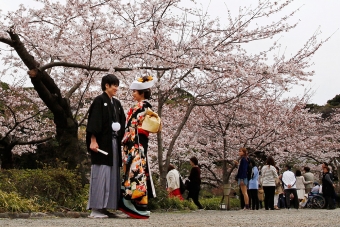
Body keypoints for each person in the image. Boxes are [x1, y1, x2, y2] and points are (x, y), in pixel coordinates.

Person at [86, 74, 126, 218]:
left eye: (117, 85)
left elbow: (122, 122)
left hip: (114, 143)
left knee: (112, 174)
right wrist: (93, 140)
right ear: (106, 85)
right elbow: (94, 122)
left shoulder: (116, 103)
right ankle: (96, 209)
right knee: (101, 173)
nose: (116, 88)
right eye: (114, 85)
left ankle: (106, 207)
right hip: (102, 143)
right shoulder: (99, 100)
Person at [120, 75, 157, 219]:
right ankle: (136, 202)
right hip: (134, 141)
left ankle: (137, 202)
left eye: (135, 91)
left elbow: (134, 126)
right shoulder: (140, 106)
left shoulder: (144, 106)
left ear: (142, 92)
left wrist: (130, 136)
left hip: (137, 142)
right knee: (135, 170)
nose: (133, 94)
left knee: (137, 170)